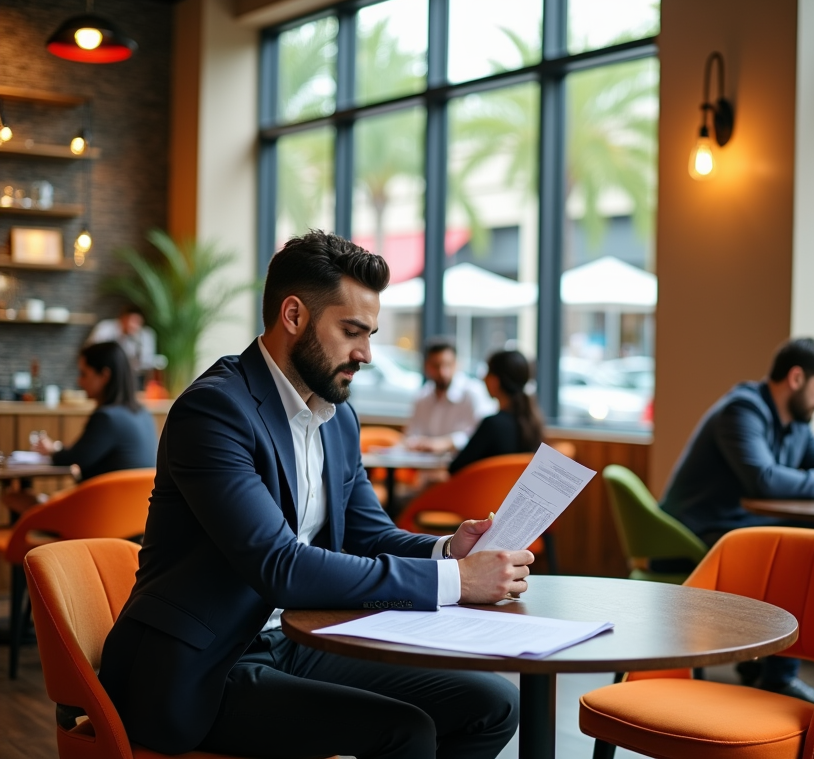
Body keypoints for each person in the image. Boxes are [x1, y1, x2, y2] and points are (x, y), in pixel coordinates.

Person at [98, 230, 532, 759]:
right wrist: (456, 582)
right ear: (294, 316)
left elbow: (369, 533)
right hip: (202, 665)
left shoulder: (337, 417)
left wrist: (447, 551)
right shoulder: (213, 412)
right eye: (352, 331)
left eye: (370, 334)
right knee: (406, 731)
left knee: (493, 703)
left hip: (297, 640)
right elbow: (280, 566)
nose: (366, 354)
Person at [659, 337, 814, 702]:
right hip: (694, 536)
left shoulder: (795, 424)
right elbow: (763, 478)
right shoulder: (742, 410)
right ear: (795, 378)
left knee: (803, 542)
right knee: (803, 547)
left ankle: (767, 664)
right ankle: (778, 675)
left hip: (732, 530)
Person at [5, 342, 157, 514]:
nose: (79, 381)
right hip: (133, 520)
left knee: (15, 498)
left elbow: (74, 458)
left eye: (84, 374)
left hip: (97, 520)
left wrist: (53, 450)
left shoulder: (107, 418)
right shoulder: (143, 414)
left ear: (104, 375)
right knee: (36, 499)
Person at [449, 350, 544, 475]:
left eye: (487, 372)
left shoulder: (492, 424)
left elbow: (455, 468)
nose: (483, 378)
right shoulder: (532, 421)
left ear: (495, 381)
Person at [404, 337, 496, 454]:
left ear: (457, 364)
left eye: (448, 365)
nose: (443, 372)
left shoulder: (473, 392)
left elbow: (483, 435)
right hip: (425, 466)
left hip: (463, 468)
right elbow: (411, 435)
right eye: (436, 366)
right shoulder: (423, 396)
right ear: (427, 367)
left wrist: (445, 443)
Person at [86, 303, 157, 376]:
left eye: (138, 322)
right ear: (122, 318)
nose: (134, 326)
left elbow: (147, 362)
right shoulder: (105, 329)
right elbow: (90, 352)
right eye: (132, 321)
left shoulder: (145, 335)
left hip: (132, 375)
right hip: (103, 373)